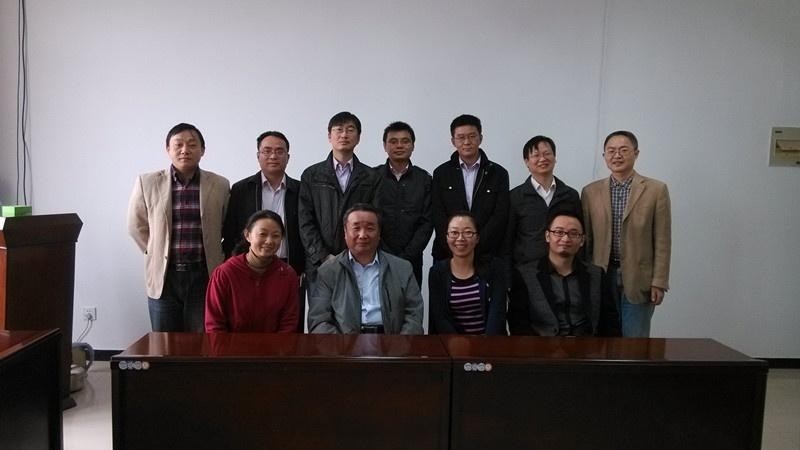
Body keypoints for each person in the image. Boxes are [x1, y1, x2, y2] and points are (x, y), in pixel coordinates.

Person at [127, 123, 229, 332]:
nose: (185, 150)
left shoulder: (220, 184)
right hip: (165, 276)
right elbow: (136, 225)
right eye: (178, 145)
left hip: (204, 275)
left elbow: (226, 224)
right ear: (168, 149)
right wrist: (154, 250)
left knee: (202, 340)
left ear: (202, 150)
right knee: (165, 341)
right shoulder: (147, 182)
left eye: (192, 144)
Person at [581, 130, 671, 337]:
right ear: (604, 156)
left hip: (640, 278)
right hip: (601, 275)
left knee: (634, 341)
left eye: (623, 150)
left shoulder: (656, 190)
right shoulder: (590, 192)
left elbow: (663, 241)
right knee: (603, 339)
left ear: (636, 153)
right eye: (611, 151)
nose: (617, 155)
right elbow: (587, 240)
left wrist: (659, 282)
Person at [222, 131, 306, 332]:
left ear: (288, 156)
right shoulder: (241, 189)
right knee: (249, 323)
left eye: (279, 151)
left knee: (288, 326)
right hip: (249, 268)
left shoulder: (301, 190)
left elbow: (307, 230)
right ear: (258, 155)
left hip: (290, 269)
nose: (273, 156)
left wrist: (302, 268)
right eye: (267, 151)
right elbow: (231, 231)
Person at [307, 204, 423, 334]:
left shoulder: (402, 268)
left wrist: (399, 343)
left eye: (370, 228)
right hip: (344, 341)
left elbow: (414, 315)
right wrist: (343, 344)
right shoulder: (328, 271)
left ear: (379, 233)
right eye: (356, 228)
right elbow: (319, 321)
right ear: (345, 232)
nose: (362, 235)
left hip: (391, 339)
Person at [298, 112, 382, 283]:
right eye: (339, 130)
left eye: (350, 130)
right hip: (319, 263)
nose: (344, 135)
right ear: (329, 136)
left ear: (358, 138)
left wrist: (357, 255)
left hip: (358, 262)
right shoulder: (312, 175)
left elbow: (375, 220)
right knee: (321, 301)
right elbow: (305, 220)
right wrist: (322, 256)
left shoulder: (371, 177)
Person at [508, 212, 620, 336]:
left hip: (586, 344)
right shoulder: (525, 275)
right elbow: (517, 323)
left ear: (582, 240)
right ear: (547, 236)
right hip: (542, 345)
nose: (566, 239)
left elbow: (610, 321)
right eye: (559, 232)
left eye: (573, 233)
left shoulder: (597, 275)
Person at [431, 114, 509, 263]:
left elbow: (500, 216)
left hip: (487, 254)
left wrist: (476, 245)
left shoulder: (498, 174)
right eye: (461, 137)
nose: (467, 142)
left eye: (472, 136)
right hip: (448, 254)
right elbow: (438, 215)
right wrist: (455, 245)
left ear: (480, 138)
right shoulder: (441, 173)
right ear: (453, 141)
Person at [205, 210, 299, 333]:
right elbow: (214, 325)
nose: (269, 241)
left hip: (275, 345)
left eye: (276, 236)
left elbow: (289, 323)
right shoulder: (224, 273)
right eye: (262, 234)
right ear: (247, 235)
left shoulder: (287, 275)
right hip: (231, 345)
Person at [506, 135, 582, 266]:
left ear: (555, 158)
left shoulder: (570, 195)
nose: (542, 159)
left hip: (564, 267)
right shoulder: (514, 197)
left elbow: (579, 234)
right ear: (526, 161)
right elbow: (508, 239)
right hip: (526, 269)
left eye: (547, 154)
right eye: (536, 155)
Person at [374, 121, 433, 286]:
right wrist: (383, 252)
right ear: (384, 146)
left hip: (412, 261)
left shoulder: (424, 180)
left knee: (410, 301)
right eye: (393, 141)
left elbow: (427, 222)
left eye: (405, 141)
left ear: (413, 145)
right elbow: (368, 219)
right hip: (376, 258)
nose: (399, 146)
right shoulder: (372, 177)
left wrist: (407, 256)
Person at [428, 212, 507, 335]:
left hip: (489, 343)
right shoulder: (437, 273)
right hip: (452, 344)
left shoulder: (495, 268)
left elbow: (497, 315)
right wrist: (459, 344)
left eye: (468, 232)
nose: (460, 238)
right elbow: (441, 319)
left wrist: (486, 344)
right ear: (447, 237)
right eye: (454, 233)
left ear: (477, 238)